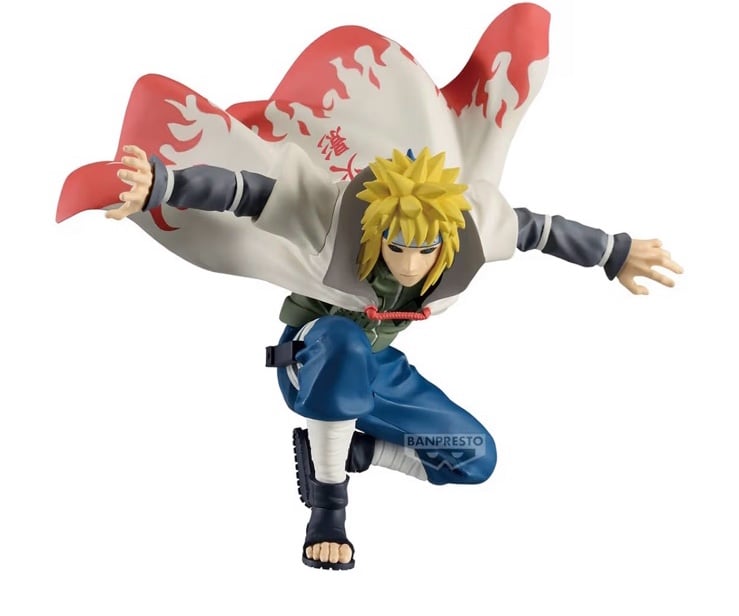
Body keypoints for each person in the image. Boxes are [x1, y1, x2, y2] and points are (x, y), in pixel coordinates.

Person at [104, 143, 683, 570]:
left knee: (474, 458)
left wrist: (614, 251)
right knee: (344, 342)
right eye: (397, 246)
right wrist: (163, 184)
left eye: (424, 250)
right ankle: (328, 510)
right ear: (377, 231)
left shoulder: (472, 230)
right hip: (315, 356)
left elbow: (537, 229)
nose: (408, 264)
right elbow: (245, 191)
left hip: (380, 371)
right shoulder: (331, 216)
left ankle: (356, 450)